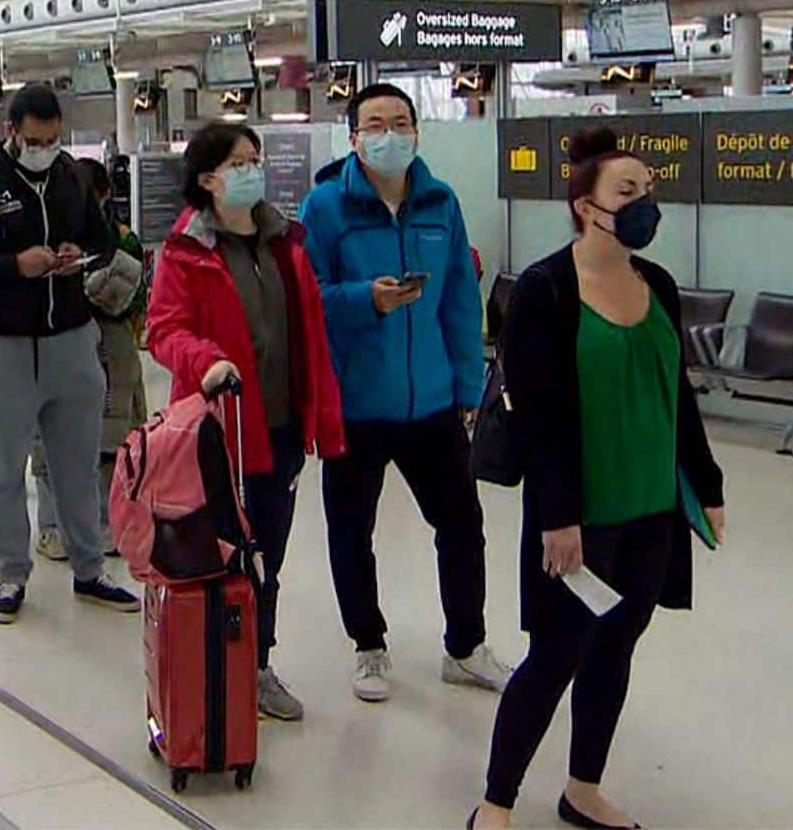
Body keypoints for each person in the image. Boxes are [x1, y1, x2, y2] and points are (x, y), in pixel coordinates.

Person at [469, 129, 725, 830]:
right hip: (578, 514)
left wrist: (707, 483)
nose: (644, 203)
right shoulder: (546, 291)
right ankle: (496, 802)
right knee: (555, 656)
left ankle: (583, 788)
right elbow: (541, 419)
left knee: (616, 646)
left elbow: (676, 393)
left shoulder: (659, 286)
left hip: (651, 508)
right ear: (585, 206)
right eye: (627, 191)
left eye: (649, 190)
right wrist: (557, 518)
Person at [298, 82, 510, 702]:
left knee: (462, 525)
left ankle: (466, 646)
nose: (389, 134)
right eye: (375, 124)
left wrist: (470, 386)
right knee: (350, 531)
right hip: (356, 406)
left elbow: (457, 301)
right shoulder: (325, 208)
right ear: (354, 136)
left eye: (401, 121)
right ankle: (368, 646)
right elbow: (309, 301)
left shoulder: (440, 204)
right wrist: (366, 299)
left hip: (434, 405)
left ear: (417, 130)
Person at [145, 124, 347, 722]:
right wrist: (205, 361)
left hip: (281, 426)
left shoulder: (287, 243)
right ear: (208, 179)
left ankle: (256, 666)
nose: (251, 171)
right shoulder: (186, 252)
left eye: (254, 160)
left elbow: (308, 327)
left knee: (268, 553)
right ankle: (214, 663)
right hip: (220, 431)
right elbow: (163, 330)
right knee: (219, 552)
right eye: (238, 163)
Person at [0, 83, 139, 623]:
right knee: (4, 463)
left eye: (52, 138)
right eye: (34, 140)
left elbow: (104, 241)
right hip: (1, 343)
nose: (44, 147)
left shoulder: (70, 176)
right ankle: (11, 573)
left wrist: (80, 255)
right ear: (10, 133)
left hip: (71, 337)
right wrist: (10, 265)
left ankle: (90, 569)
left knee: (80, 462)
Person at [30, 157, 147, 559]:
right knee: (48, 442)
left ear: (104, 195)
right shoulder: (40, 233)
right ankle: (50, 527)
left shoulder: (122, 238)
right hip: (52, 347)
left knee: (107, 445)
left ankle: (104, 522)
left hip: (112, 353)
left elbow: (132, 300)